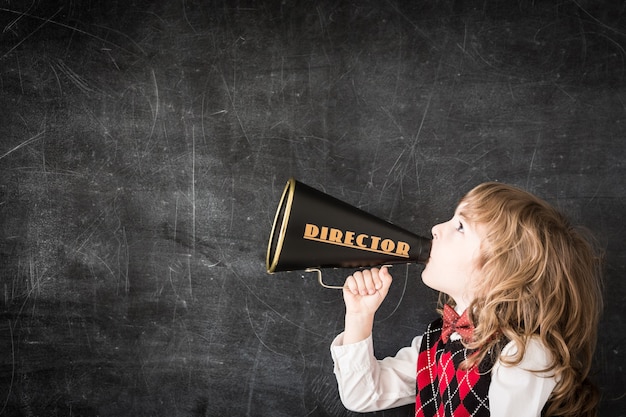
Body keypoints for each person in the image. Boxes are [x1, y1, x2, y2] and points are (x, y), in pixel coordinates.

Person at [330, 182, 603, 417]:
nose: (436, 228)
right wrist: (359, 318)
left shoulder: (522, 355)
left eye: (460, 226)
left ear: (499, 269)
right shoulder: (438, 340)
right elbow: (363, 395)